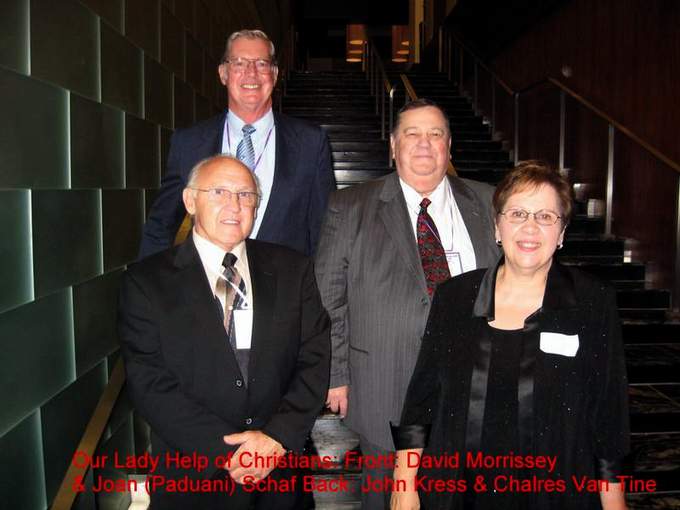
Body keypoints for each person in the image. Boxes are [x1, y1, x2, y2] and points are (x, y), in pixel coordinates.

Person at [391, 161, 630, 510]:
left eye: (545, 216)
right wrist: (404, 482)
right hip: (458, 490)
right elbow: (421, 399)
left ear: (562, 233)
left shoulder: (593, 302)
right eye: (517, 213)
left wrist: (613, 500)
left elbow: (608, 413)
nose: (530, 227)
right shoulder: (456, 297)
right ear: (497, 227)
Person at [315, 99, 500, 509]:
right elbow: (329, 297)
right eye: (412, 134)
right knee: (387, 496)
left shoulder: (489, 203)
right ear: (393, 146)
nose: (424, 144)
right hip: (385, 382)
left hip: (473, 386)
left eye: (435, 134)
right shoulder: (350, 206)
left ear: (449, 146)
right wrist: (336, 373)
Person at [119, 155, 330, 510]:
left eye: (246, 195)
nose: (235, 205)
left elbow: (315, 357)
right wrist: (227, 452)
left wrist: (276, 438)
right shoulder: (146, 282)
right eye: (219, 192)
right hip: (195, 475)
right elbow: (148, 381)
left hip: (278, 474)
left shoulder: (294, 269)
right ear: (190, 201)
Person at [138, 29, 335, 259]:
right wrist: (146, 279)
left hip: (284, 280)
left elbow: (326, 233)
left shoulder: (310, 143)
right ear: (223, 73)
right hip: (207, 280)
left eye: (261, 64)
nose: (251, 73)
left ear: (274, 74)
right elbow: (160, 226)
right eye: (239, 63)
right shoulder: (189, 143)